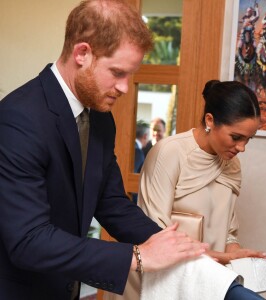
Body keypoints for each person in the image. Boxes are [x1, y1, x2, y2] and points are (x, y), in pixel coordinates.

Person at [0, 1, 208, 299]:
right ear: (82, 53)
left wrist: (177, 247)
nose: (124, 88)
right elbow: (29, 240)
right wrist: (138, 257)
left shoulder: (100, 119)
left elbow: (111, 203)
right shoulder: (18, 118)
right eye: (117, 72)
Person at [105, 80, 266, 300]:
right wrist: (216, 257)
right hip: (157, 280)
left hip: (204, 281)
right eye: (236, 137)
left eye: (248, 139)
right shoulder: (169, 153)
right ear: (210, 120)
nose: (242, 148)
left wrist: (235, 254)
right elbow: (154, 232)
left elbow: (227, 232)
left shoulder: (232, 163)